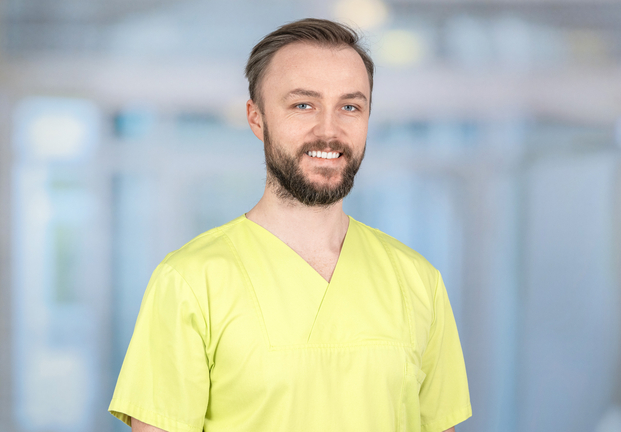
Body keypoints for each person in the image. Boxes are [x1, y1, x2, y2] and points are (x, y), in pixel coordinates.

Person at [108, 18, 471, 432]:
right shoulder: (190, 282)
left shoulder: (418, 282)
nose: (329, 130)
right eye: (303, 105)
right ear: (256, 118)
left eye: (350, 106)